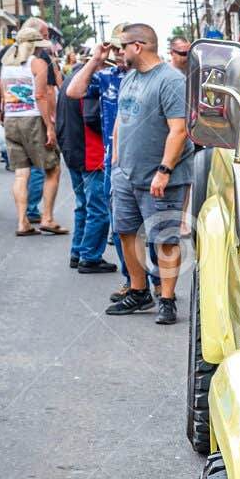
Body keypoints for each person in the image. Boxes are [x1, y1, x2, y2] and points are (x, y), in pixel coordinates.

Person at [104, 22, 191, 325]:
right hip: (126, 174)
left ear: (137, 46)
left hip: (160, 177)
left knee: (164, 238)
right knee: (126, 232)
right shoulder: (129, 78)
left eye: (122, 46)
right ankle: (139, 291)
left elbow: (178, 130)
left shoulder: (170, 80)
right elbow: (120, 119)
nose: (119, 52)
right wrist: (116, 160)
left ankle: (166, 299)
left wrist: (164, 170)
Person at [66, 26, 135, 283]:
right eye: (114, 48)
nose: (117, 53)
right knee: (121, 228)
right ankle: (133, 283)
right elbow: (73, 91)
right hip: (113, 163)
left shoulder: (154, 77)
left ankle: (162, 289)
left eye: (121, 47)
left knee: (153, 231)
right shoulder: (107, 76)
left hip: (147, 163)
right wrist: (95, 59)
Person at [0, 21, 66, 237]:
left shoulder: (6, 64)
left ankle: (23, 221)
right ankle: (47, 218)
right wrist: (50, 126)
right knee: (52, 168)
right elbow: (41, 95)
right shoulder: (36, 64)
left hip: (12, 119)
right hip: (33, 118)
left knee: (21, 174)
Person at [57, 56, 114, 273]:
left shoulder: (70, 80)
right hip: (90, 152)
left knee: (83, 205)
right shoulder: (89, 82)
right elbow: (93, 118)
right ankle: (90, 255)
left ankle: (78, 251)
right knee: (98, 208)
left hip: (73, 151)